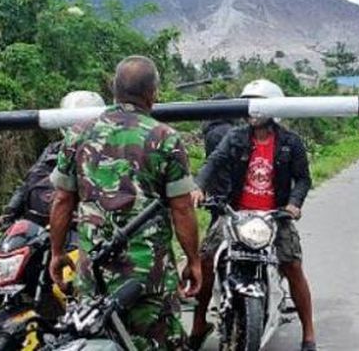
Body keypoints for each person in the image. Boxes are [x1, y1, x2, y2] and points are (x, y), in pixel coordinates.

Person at [48, 56, 202, 350]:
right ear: (152, 93)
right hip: (148, 274)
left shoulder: (78, 134)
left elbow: (62, 199)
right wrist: (193, 261)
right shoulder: (165, 138)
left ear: (114, 90)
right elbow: (182, 208)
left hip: (95, 272)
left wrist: (57, 252)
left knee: (99, 339)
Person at [191, 79, 317, 351]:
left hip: (275, 216)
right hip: (236, 213)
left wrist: (294, 203)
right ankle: (198, 325)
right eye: (248, 104)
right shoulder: (235, 137)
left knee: (292, 266)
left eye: (258, 104)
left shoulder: (290, 143)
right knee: (205, 260)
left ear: (273, 109)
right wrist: (199, 186)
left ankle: (309, 333)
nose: (252, 111)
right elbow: (213, 162)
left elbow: (303, 179)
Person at [0, 91, 105, 233]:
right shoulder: (53, 150)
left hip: (84, 229)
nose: (79, 131)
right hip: (39, 227)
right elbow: (28, 183)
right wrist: (8, 215)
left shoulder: (109, 154)